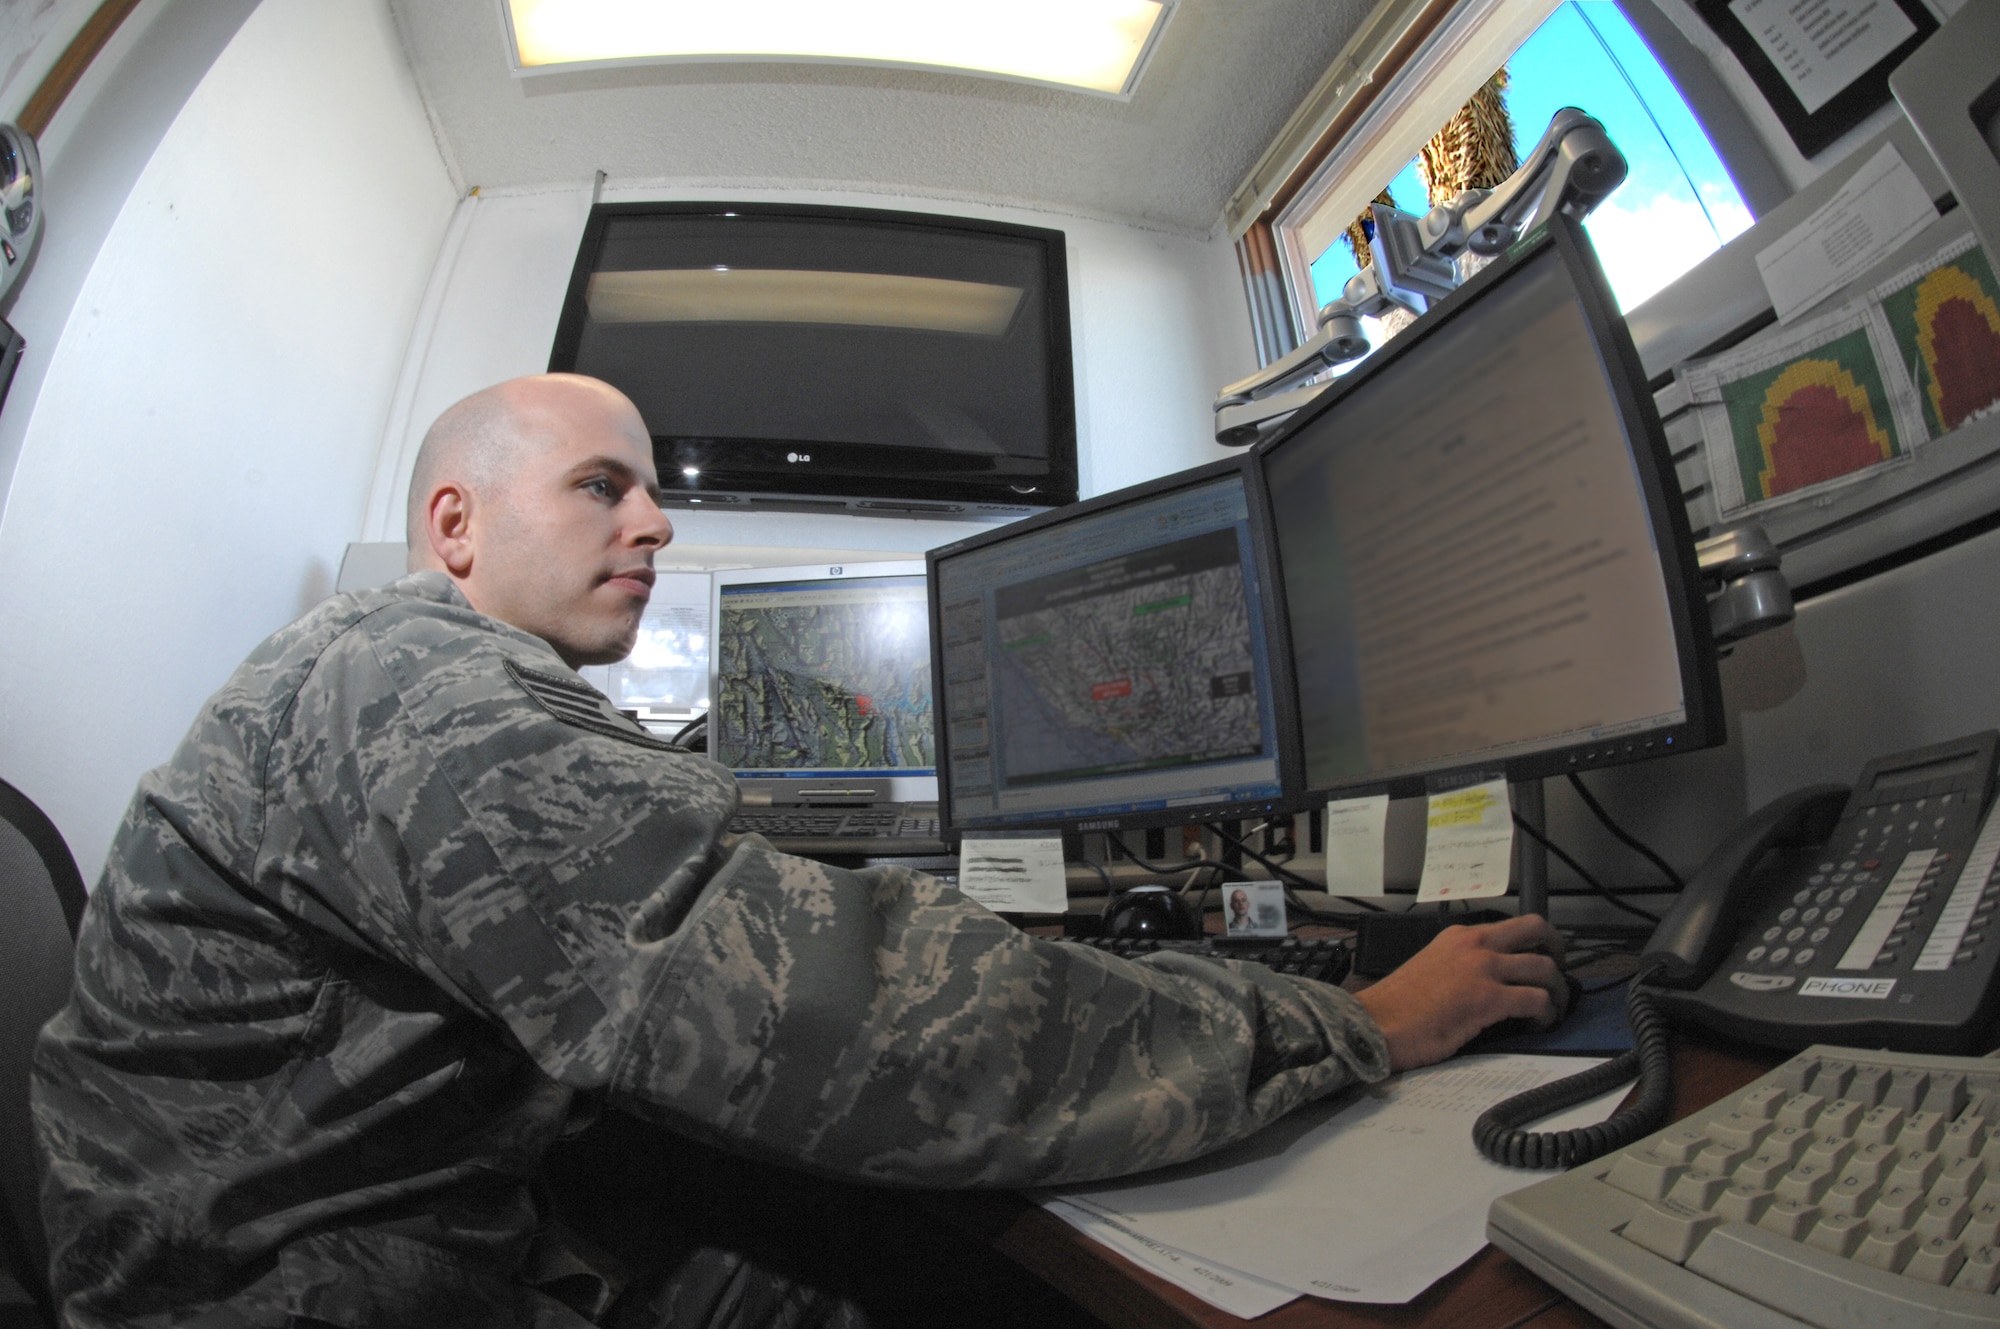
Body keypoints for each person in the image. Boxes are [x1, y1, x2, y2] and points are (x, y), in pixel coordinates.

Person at [32, 373, 1567, 1328]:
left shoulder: (388, 669)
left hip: (396, 1236)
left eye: (652, 490)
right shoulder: (414, 681)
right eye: (598, 485)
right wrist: (1351, 1018)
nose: (656, 525)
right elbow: (827, 1010)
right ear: (453, 523)